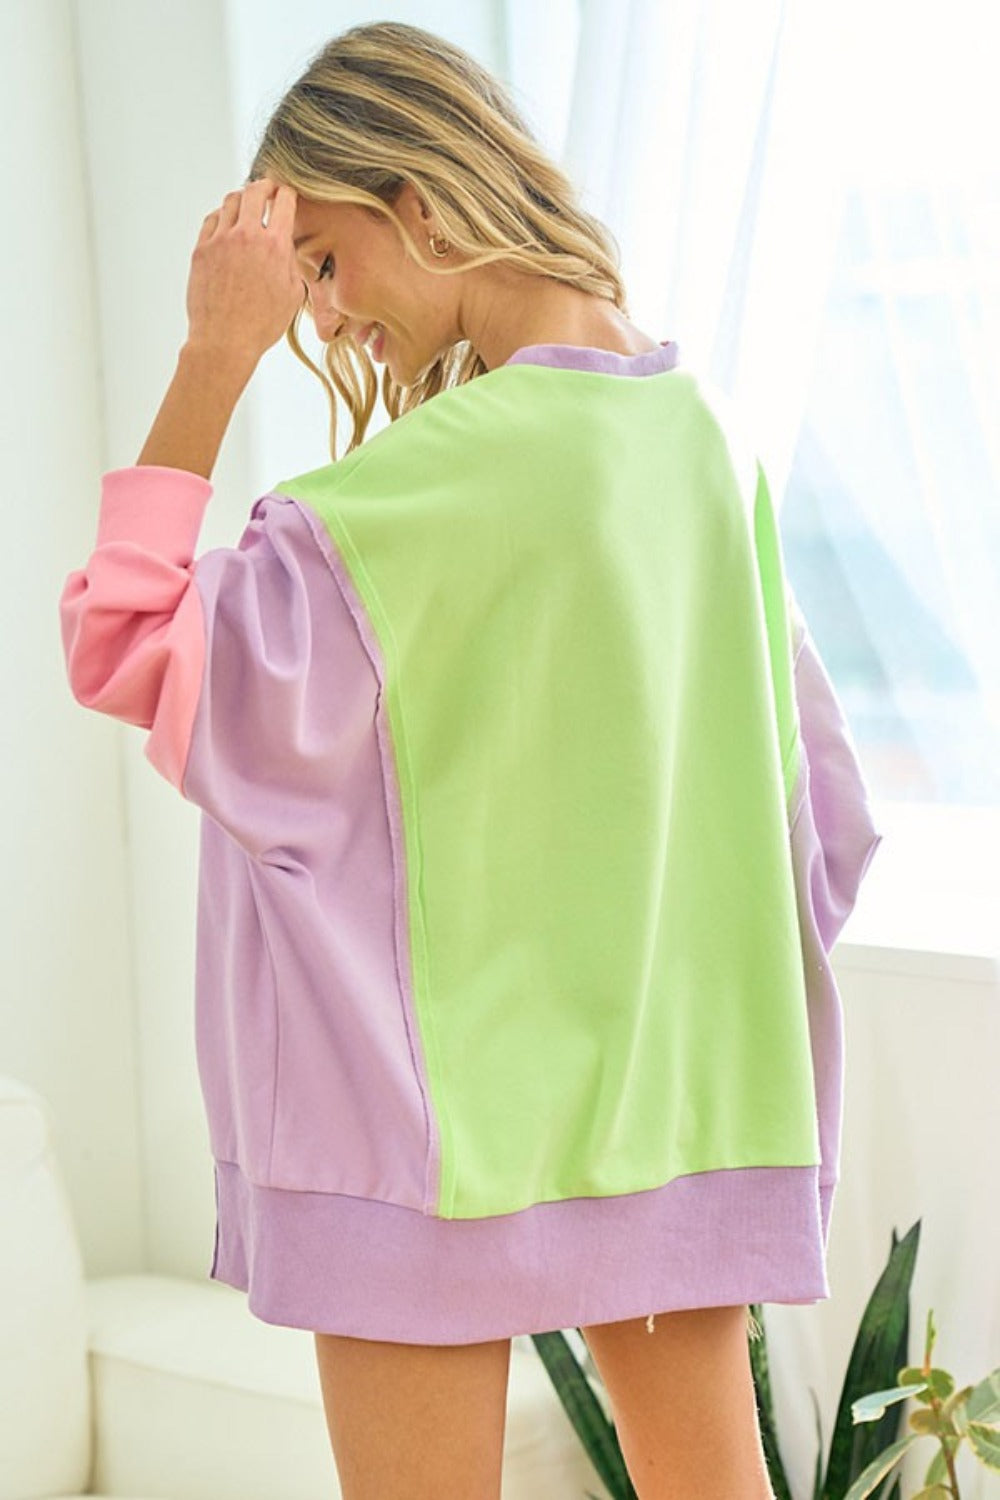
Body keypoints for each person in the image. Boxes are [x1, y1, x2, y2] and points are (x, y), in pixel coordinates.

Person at [59, 20, 881, 1500]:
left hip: (415, 1148)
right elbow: (826, 826)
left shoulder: (395, 509)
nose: (325, 314)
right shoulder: (709, 451)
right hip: (676, 1114)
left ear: (421, 207)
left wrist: (212, 353)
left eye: (324, 262)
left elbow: (122, 640)